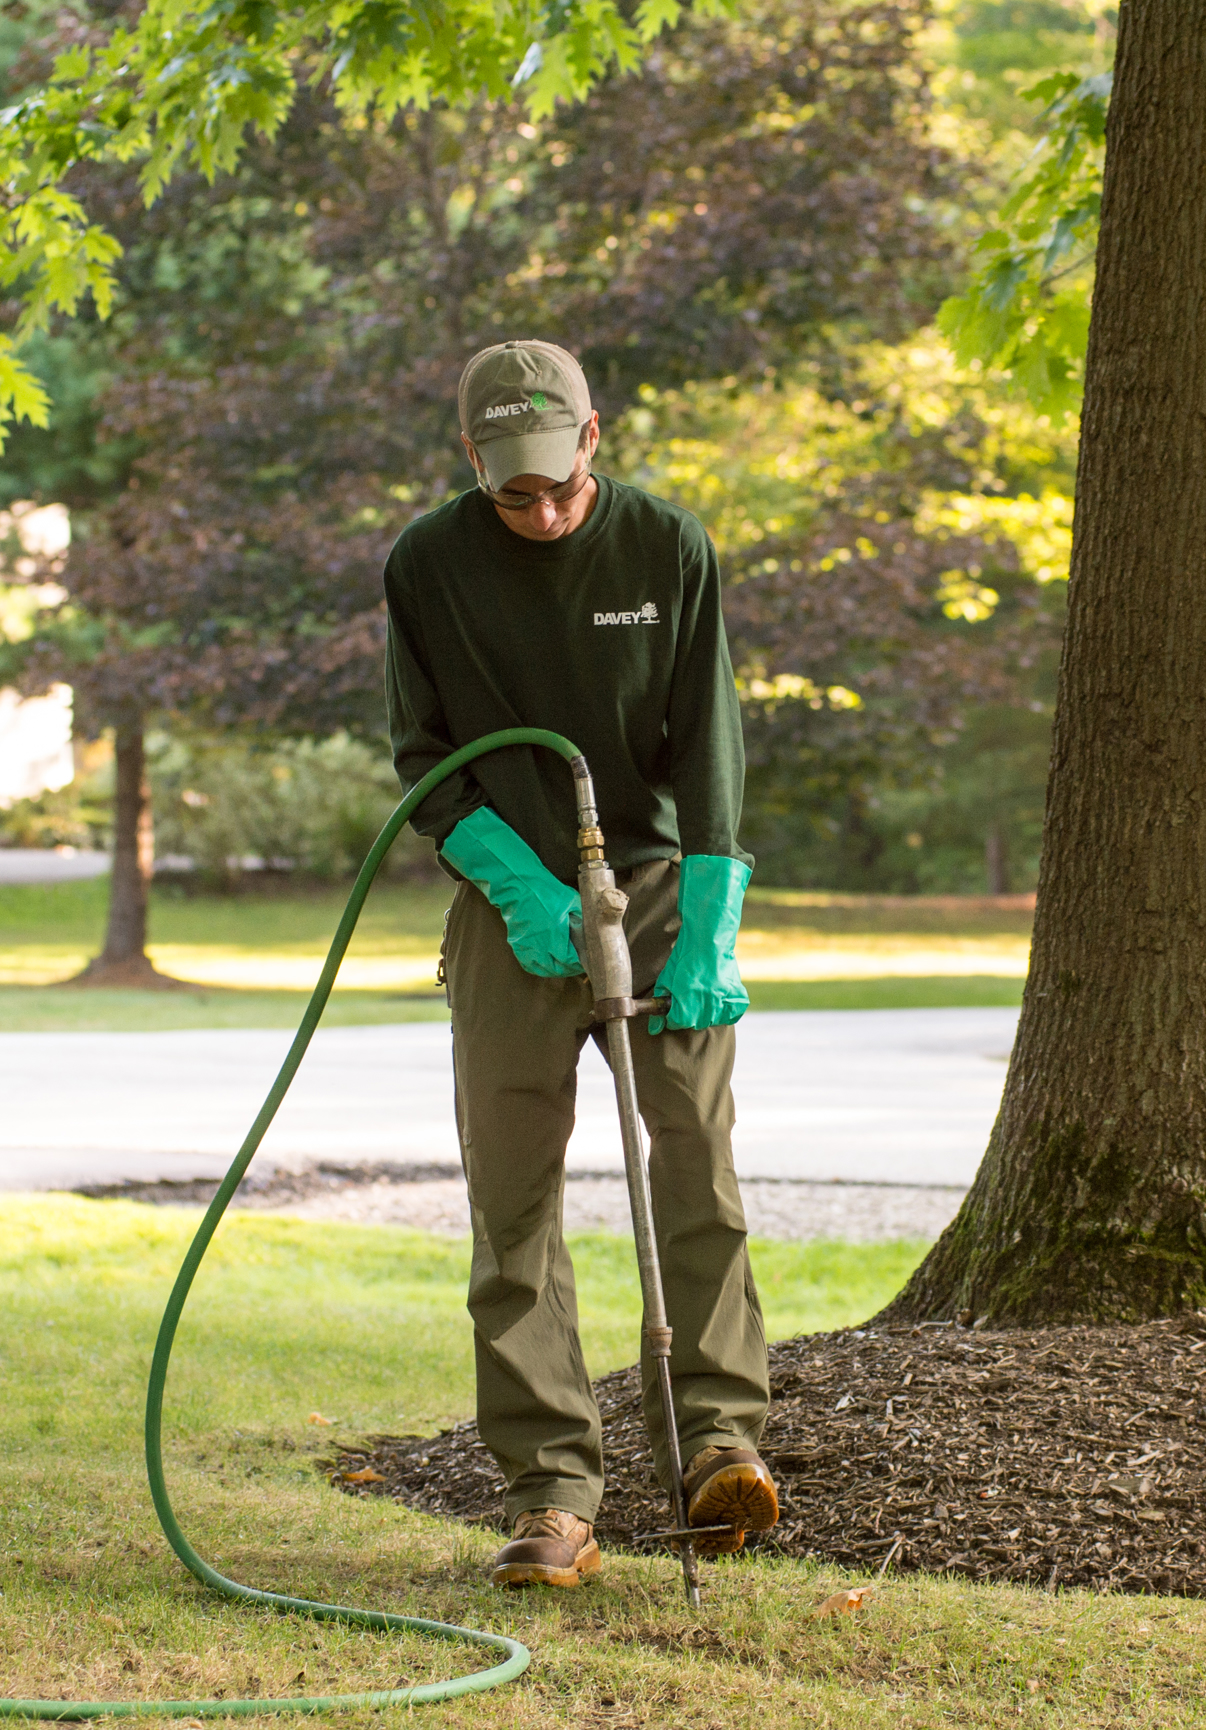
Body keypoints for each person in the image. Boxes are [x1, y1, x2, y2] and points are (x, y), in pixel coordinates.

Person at [383, 339, 777, 1589]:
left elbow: (709, 740)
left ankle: (720, 1448)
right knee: (513, 1206)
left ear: (592, 440)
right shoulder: (428, 564)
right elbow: (423, 754)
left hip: (656, 887)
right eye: (514, 492)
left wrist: (708, 914)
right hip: (512, 902)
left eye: (558, 482)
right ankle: (553, 1493)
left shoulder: (667, 548)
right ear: (472, 465)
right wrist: (515, 884)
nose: (542, 510)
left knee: (696, 1162)